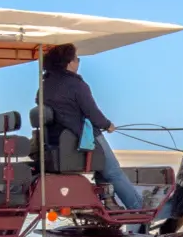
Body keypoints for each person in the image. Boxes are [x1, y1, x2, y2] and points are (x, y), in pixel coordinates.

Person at [39, 43, 142, 209]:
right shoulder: (76, 85)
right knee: (113, 171)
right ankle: (138, 208)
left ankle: (109, 202)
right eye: (77, 59)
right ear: (69, 63)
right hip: (80, 139)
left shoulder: (45, 86)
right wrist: (107, 125)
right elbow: (92, 113)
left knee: (103, 167)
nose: (78, 63)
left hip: (57, 141)